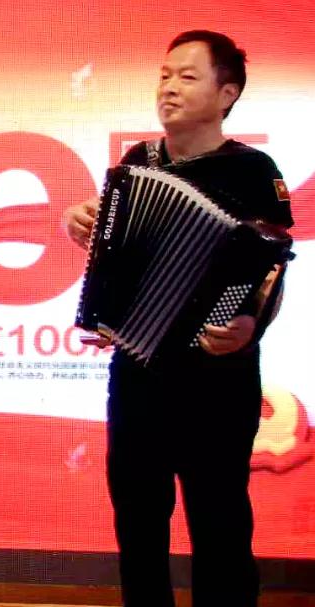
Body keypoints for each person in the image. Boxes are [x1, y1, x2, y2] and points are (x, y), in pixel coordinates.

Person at [63, 31, 294, 606]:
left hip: (218, 378)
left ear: (226, 94)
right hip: (137, 372)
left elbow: (271, 266)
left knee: (219, 521)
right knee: (137, 519)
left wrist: (250, 326)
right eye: (164, 75)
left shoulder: (253, 171)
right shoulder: (137, 162)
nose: (168, 87)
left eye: (187, 77)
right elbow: (117, 253)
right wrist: (81, 228)